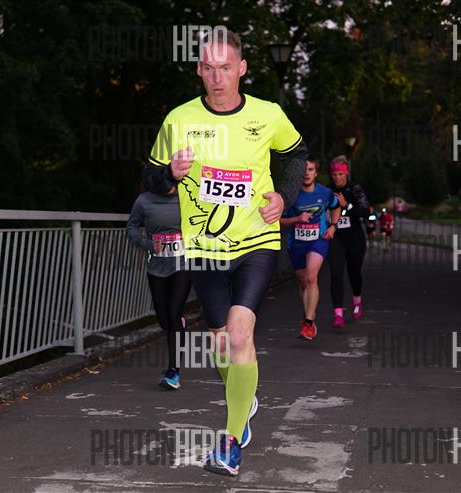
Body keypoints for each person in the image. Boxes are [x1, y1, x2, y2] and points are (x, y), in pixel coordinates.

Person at [142, 29, 307, 477]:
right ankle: (243, 397)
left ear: (242, 69)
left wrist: (285, 197)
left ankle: (230, 444)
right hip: (205, 246)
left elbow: (296, 155)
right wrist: (169, 174)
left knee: (238, 335)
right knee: (220, 341)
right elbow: (151, 178)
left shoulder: (268, 114)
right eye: (209, 69)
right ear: (199, 69)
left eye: (226, 68)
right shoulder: (178, 119)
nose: (218, 78)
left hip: (256, 240)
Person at [126, 182, 191, 390]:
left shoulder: (187, 195)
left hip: (184, 265)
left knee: (173, 313)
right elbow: (131, 227)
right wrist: (148, 244)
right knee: (164, 320)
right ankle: (177, 323)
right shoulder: (144, 201)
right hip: (156, 267)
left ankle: (173, 371)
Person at [280, 159, 340, 340]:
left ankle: (308, 321)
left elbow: (336, 206)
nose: (307, 173)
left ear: (316, 173)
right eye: (304, 170)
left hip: (318, 240)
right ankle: (309, 315)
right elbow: (279, 221)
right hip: (296, 242)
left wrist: (333, 226)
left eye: (311, 169)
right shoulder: (291, 195)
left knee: (311, 276)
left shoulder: (325, 192)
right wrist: (297, 219)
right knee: (302, 280)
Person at [327, 156, 370, 328]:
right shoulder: (328, 190)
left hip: (355, 239)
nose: (337, 178)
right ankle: (338, 313)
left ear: (346, 174)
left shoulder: (355, 189)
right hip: (336, 238)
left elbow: (366, 212)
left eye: (340, 174)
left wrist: (347, 205)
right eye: (334, 174)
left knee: (354, 272)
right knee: (336, 273)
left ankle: (357, 300)